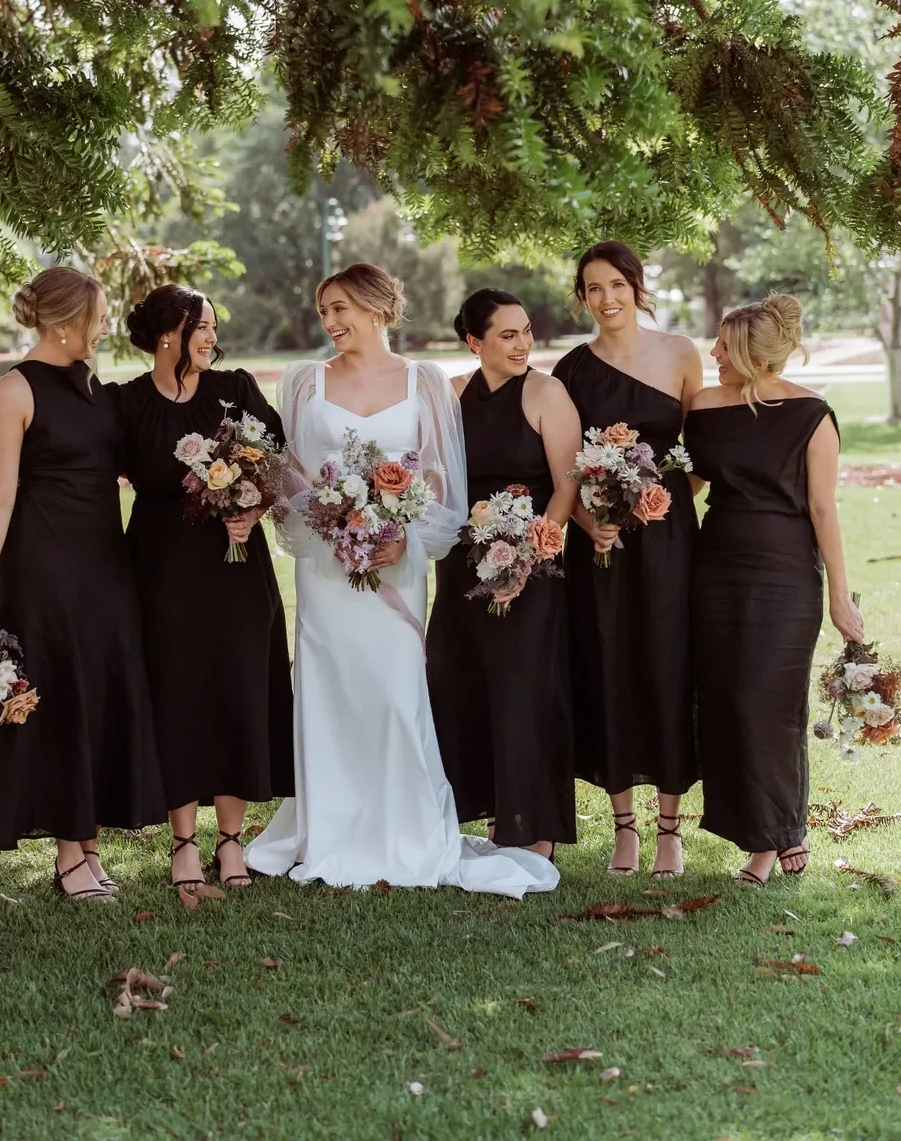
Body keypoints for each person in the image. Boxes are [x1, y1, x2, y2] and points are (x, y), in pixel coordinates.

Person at [244, 264, 559, 897]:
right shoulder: (305, 382)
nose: (331, 322)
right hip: (327, 570)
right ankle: (331, 829)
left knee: (393, 690)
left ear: (379, 307)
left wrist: (399, 536)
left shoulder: (426, 381)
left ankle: (404, 828)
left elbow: (443, 482)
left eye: (342, 309)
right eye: (325, 311)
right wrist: (335, 523)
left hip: (399, 561)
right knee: (330, 687)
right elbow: (292, 475)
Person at [0, 267, 166, 899]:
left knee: (98, 693)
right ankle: (68, 859)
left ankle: (88, 846)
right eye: (97, 316)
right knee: (62, 698)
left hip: (106, 568)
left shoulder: (92, 387)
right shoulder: (14, 391)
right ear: (64, 321)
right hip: (44, 571)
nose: (104, 327)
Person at [113, 285, 294, 894]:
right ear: (169, 334)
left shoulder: (235, 388)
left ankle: (232, 842)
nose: (213, 338)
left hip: (237, 570)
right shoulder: (129, 403)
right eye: (202, 328)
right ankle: (185, 843)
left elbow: (276, 457)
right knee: (179, 698)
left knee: (238, 690)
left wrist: (254, 505)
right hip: (162, 573)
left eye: (215, 327)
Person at [685, 295, 864, 886]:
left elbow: (822, 507)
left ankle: (777, 836)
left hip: (785, 574)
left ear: (753, 357)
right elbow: (690, 481)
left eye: (723, 346)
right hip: (715, 568)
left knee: (770, 703)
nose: (712, 353)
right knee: (726, 699)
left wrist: (841, 597)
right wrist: (627, 494)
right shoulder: (705, 407)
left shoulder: (813, 415)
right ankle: (753, 826)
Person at [553, 241, 703, 876]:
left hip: (669, 541)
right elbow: (558, 465)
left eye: (616, 284)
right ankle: (624, 829)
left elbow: (702, 454)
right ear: (583, 298)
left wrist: (658, 500)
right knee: (607, 665)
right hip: (601, 546)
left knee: (668, 667)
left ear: (637, 286)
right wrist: (595, 522)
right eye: (593, 288)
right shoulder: (571, 370)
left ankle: (670, 830)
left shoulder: (680, 353)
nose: (606, 298)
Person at [427, 289, 581, 859]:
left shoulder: (547, 391)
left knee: (524, 688)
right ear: (475, 342)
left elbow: (566, 486)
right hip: (463, 565)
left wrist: (528, 557)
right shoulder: (449, 395)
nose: (523, 344)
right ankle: (485, 812)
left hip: (531, 566)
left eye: (526, 331)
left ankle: (534, 828)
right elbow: (438, 479)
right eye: (507, 335)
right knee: (459, 680)